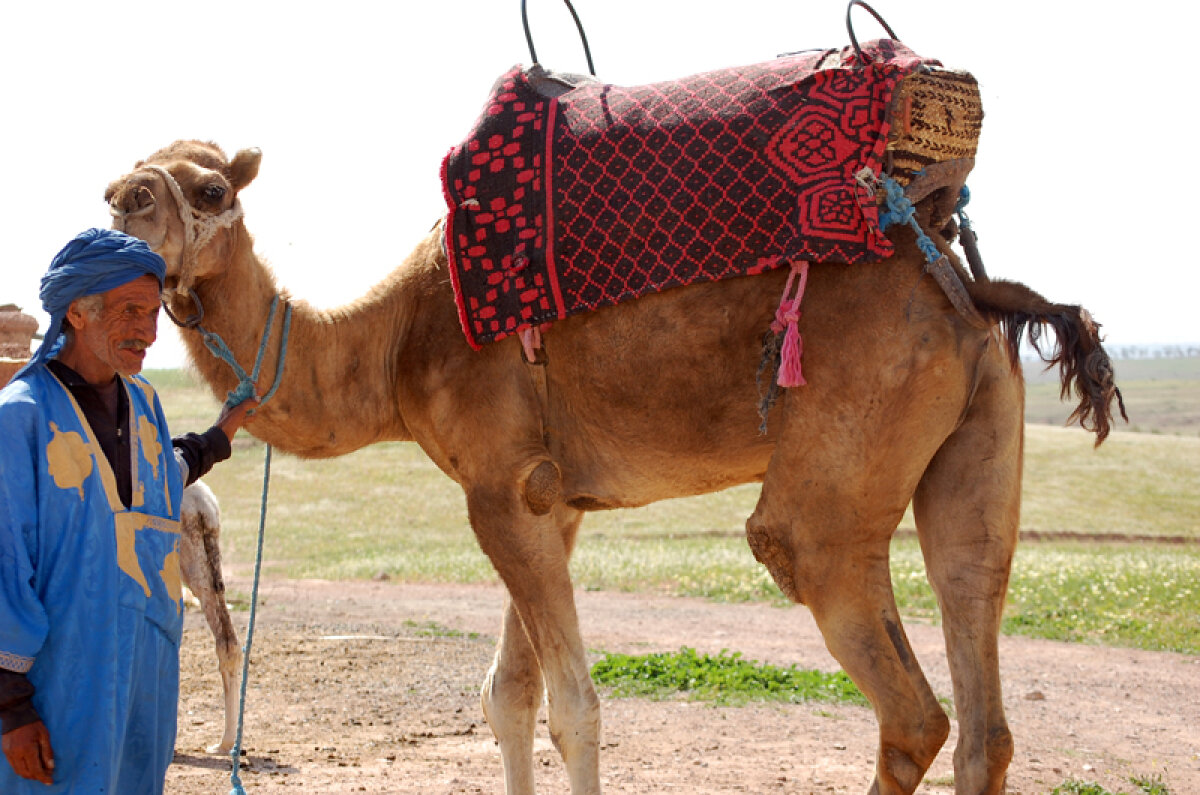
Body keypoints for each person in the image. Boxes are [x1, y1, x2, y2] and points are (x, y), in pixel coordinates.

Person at [0, 228, 256, 793]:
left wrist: (223, 431)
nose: (147, 330)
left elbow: (161, 479)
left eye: (154, 312)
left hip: (142, 684)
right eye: (129, 311)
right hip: (57, 694)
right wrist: (12, 710)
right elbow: (2, 567)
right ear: (78, 313)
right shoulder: (19, 419)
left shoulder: (143, 404)